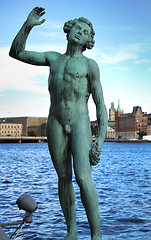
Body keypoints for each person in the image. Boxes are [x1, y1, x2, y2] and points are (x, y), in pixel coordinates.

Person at [9, 7, 107, 240]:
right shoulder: (53, 59)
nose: (79, 33)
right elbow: (17, 52)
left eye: (84, 32)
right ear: (69, 29)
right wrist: (28, 24)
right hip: (55, 122)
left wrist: (100, 140)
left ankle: (96, 235)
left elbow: (100, 104)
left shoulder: (89, 66)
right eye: (77, 28)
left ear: (87, 41)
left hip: (81, 123)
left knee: (83, 178)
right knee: (64, 179)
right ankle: (71, 232)